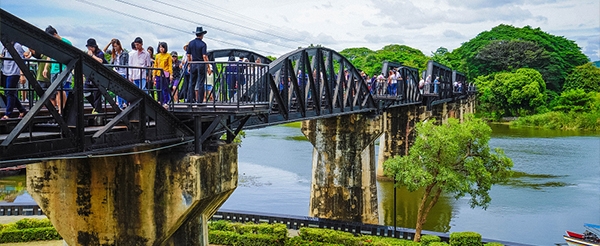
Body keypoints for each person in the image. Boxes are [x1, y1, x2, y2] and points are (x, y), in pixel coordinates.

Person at [43, 25, 72, 114]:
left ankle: (61, 110)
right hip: (54, 69)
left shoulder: (66, 42)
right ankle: (63, 108)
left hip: (63, 68)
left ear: (55, 34)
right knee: (56, 90)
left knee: (60, 89)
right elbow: (49, 55)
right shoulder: (52, 43)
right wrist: (46, 68)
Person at [1, 42, 27, 120]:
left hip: (14, 72)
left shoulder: (17, 46)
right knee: (9, 92)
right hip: (5, 71)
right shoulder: (6, 46)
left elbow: (21, 60)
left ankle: (8, 114)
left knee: (10, 92)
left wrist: (22, 75)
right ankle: (22, 110)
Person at [186, 27, 211, 103]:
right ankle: (200, 100)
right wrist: (208, 66)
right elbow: (204, 56)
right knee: (200, 82)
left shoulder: (191, 43)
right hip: (201, 64)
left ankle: (190, 99)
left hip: (193, 63)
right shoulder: (203, 44)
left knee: (191, 82)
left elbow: (188, 55)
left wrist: (189, 64)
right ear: (202, 35)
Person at [84, 38, 108, 114]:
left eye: (90, 47)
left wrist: (92, 56)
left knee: (97, 95)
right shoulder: (89, 53)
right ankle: (95, 107)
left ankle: (98, 111)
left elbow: (100, 61)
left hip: (97, 76)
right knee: (86, 92)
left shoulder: (100, 53)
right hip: (90, 75)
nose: (89, 49)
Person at [104, 38, 129, 108]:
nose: (115, 48)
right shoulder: (113, 53)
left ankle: (125, 103)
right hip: (116, 72)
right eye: (114, 46)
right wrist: (109, 43)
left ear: (119, 45)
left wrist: (128, 74)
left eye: (116, 46)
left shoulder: (124, 53)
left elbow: (127, 63)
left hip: (123, 72)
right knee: (117, 90)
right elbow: (104, 51)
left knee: (123, 89)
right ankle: (120, 105)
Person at [153, 42, 172, 108]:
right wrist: (154, 74)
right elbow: (155, 65)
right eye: (160, 47)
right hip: (158, 73)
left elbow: (170, 65)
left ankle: (165, 101)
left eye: (162, 47)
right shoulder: (157, 56)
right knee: (158, 87)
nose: (161, 49)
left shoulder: (168, 56)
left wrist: (171, 74)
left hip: (165, 73)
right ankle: (159, 100)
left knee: (165, 88)